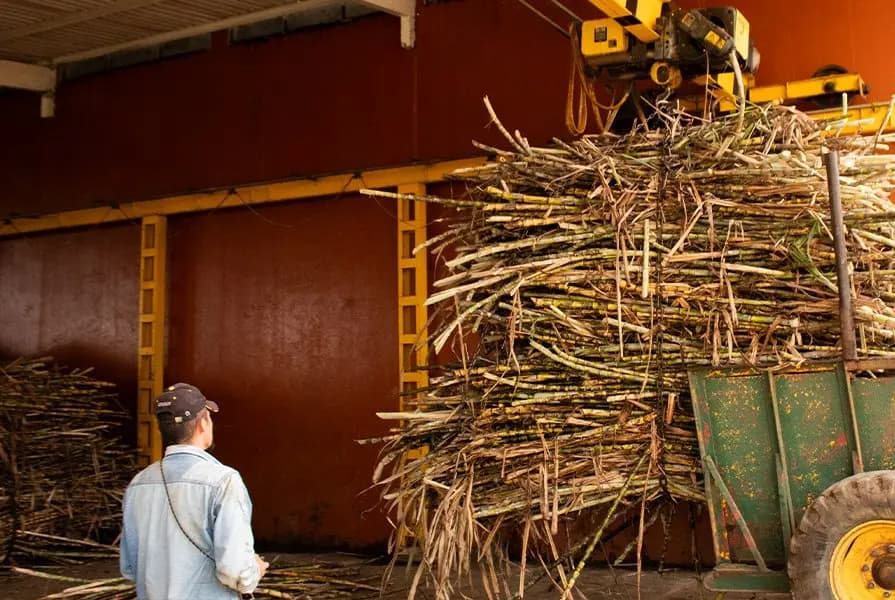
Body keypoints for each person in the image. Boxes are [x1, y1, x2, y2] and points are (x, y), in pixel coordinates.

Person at [120, 383, 269, 599]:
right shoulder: (223, 481)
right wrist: (254, 570)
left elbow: (129, 567)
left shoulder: (138, 485)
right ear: (203, 423)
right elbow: (235, 571)